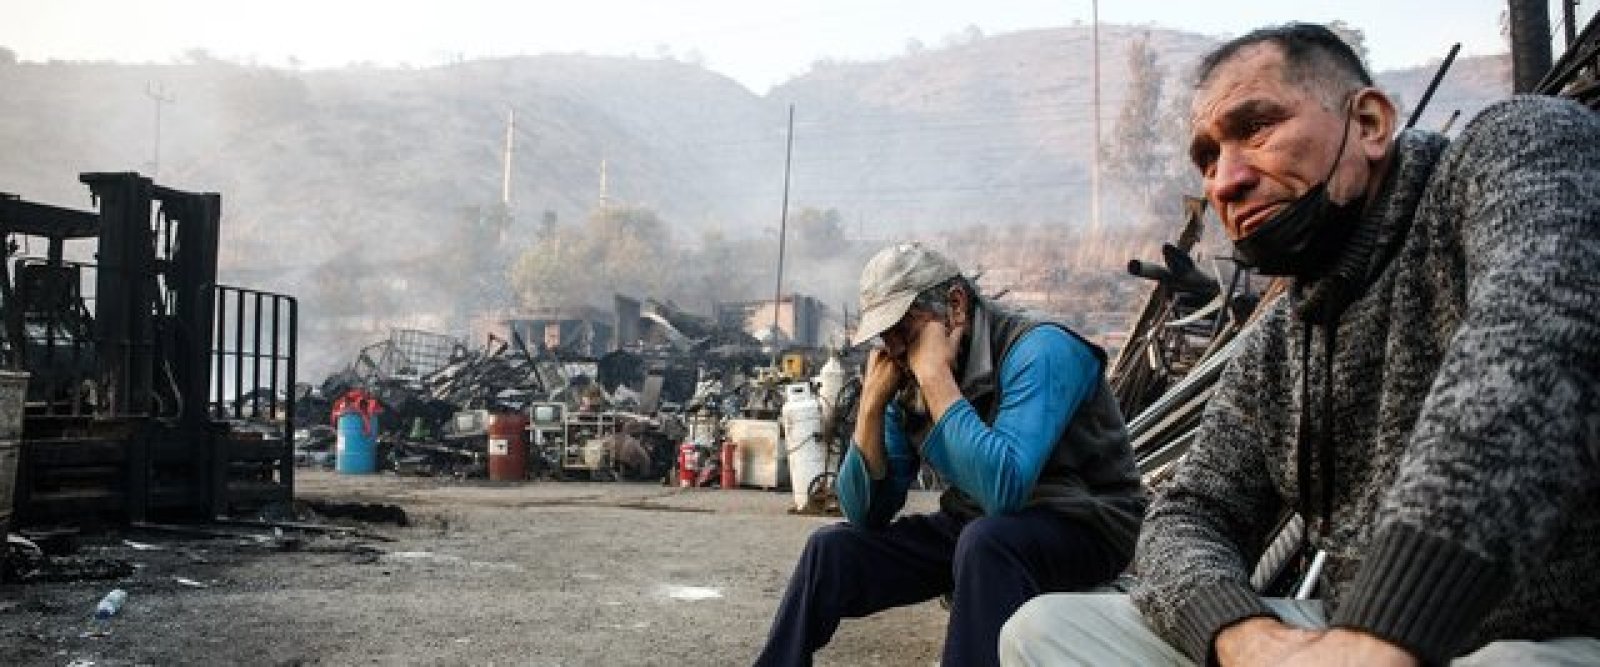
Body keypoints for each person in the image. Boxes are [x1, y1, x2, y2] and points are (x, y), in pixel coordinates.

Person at [1000, 22, 1600, 666]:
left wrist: (1381, 634)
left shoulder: (1518, 148)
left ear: (1369, 122)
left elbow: (1540, 336)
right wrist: (1242, 635)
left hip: (1551, 634)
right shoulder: (1282, 342)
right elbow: (1189, 513)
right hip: (1339, 636)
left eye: (1256, 128)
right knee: (1045, 628)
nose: (1224, 181)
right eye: (1207, 158)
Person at [754, 242, 1146, 667]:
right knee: (830, 550)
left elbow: (1005, 489)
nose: (895, 349)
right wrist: (870, 406)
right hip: (981, 523)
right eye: (885, 337)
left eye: (905, 329)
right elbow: (866, 513)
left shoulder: (1041, 349)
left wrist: (937, 378)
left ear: (955, 307)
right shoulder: (903, 368)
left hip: (1086, 524)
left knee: (986, 543)